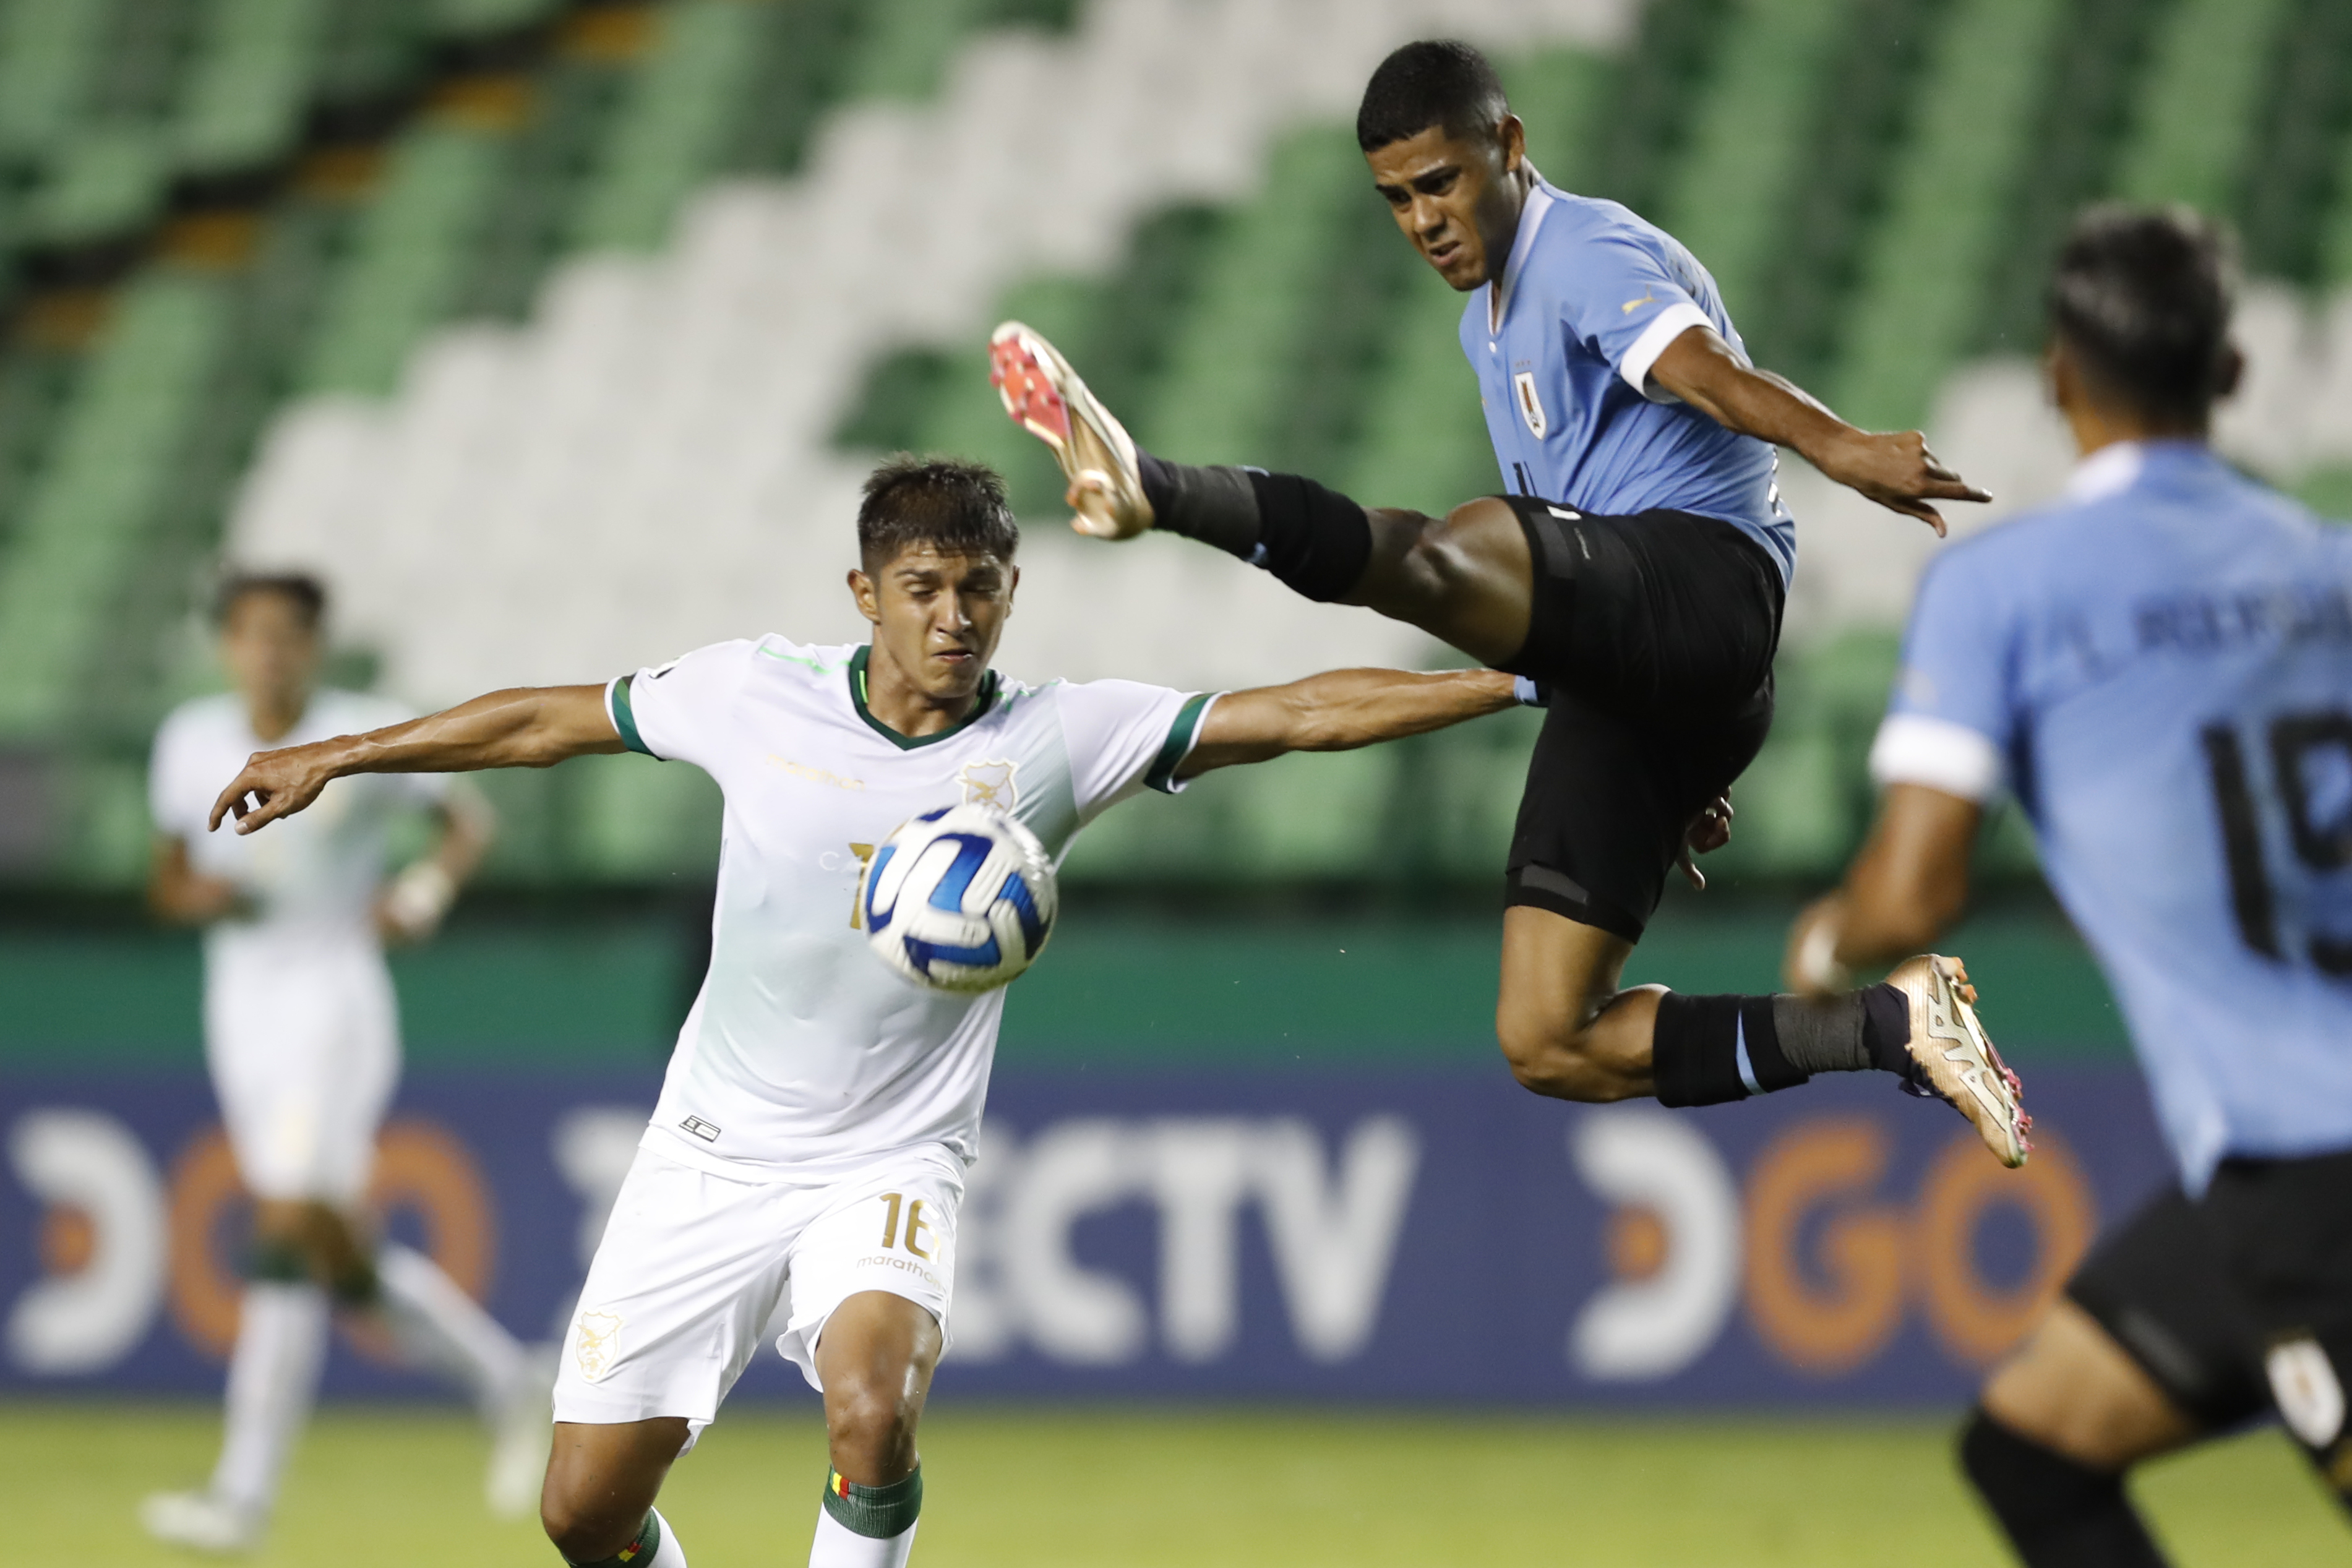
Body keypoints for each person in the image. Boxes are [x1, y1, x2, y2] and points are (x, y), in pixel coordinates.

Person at [204, 456, 1524, 1568]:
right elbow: (543, 722)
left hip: (890, 1160)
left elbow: (1298, 711)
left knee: (870, 1404)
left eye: (982, 589)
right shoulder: (752, 691)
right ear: (865, 595)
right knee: (581, 1510)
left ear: (1012, 595)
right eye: (924, 589)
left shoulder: (1061, 738)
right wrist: (338, 751)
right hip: (710, 1152)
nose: (954, 618)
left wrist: (1522, 686)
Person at [986, 38, 2025, 1162]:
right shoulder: (1483, 323)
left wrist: (1840, 446)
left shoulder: (1580, 249)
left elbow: (1702, 375)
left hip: (1705, 583)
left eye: (1441, 182)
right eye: (1396, 199)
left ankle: (1159, 489)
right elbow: (1565, 596)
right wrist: (1677, 745)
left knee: (1447, 554)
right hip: (1652, 672)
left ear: (1509, 146)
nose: (1424, 219)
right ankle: (1889, 1026)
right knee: (1547, 1039)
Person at [1784, 205, 2352, 1564]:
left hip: (2308, 1170)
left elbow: (1910, 895)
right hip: (2265, 1178)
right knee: (2033, 1443)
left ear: (2054, 377)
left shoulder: (2005, 592)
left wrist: (1818, 950)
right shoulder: (2326, 571)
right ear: (2225, 373)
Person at [142, 572, 547, 1552]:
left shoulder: (360, 732)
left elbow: (466, 825)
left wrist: (419, 895)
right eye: (252, 635)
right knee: (329, 1248)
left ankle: (242, 1499)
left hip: (333, 996)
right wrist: (203, 901)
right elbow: (170, 875)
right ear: (226, 645)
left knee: (283, 1220)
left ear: (316, 645)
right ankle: (510, 1383)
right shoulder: (190, 740)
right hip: (240, 1006)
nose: (270, 653)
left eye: (289, 635)